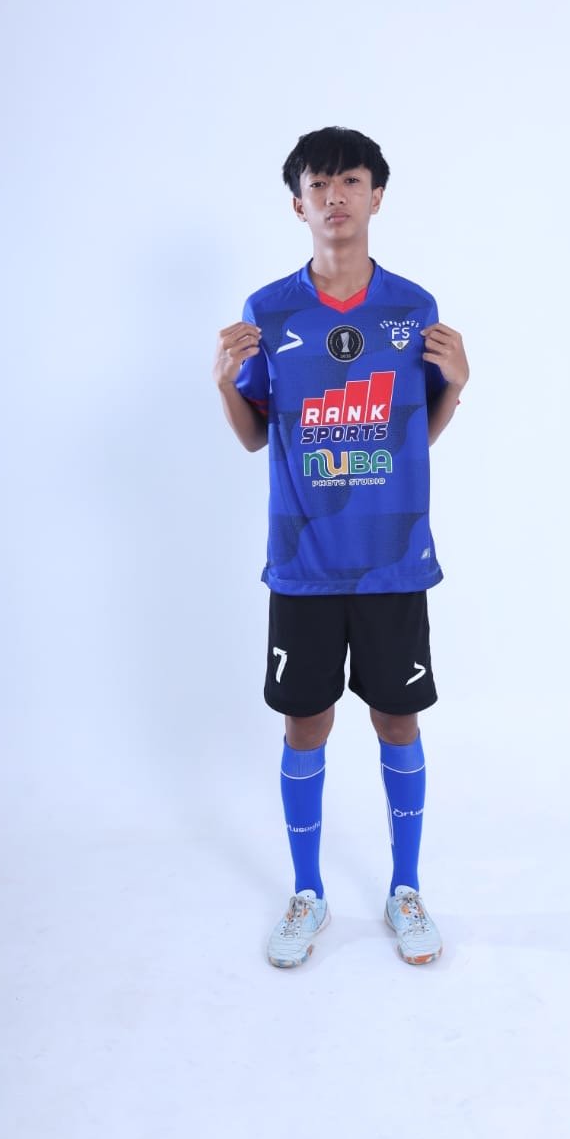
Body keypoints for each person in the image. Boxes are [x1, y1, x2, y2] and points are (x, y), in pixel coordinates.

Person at [214, 126, 469, 968]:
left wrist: (457, 386)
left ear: (376, 195)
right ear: (298, 204)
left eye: (350, 180)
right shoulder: (269, 310)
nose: (335, 196)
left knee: (397, 717)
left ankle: (406, 889)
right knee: (306, 723)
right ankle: (307, 893)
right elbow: (255, 437)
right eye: (318, 184)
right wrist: (223, 385)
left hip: (393, 555)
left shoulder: (411, 308)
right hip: (304, 561)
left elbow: (412, 434)